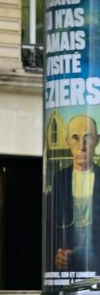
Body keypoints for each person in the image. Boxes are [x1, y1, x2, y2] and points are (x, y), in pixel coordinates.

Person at [52, 113, 100, 273]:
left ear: (97, 141)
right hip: (69, 263)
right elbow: (51, 223)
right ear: (67, 142)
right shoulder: (60, 178)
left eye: (88, 137)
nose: (82, 146)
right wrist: (56, 254)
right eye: (75, 138)